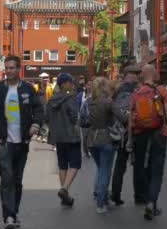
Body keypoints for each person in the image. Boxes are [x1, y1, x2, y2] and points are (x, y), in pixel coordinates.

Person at [0, 55, 43, 229]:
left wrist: (36, 124)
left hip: (22, 141)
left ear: (19, 69)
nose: (8, 71)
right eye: (6, 68)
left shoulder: (27, 89)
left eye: (12, 68)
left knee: (17, 179)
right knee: (7, 178)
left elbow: (39, 109)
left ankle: (14, 212)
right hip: (3, 141)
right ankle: (8, 216)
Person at [128, 64, 167, 220]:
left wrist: (129, 139)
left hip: (141, 134)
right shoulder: (161, 91)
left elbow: (130, 119)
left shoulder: (136, 93)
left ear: (142, 75)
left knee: (143, 167)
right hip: (158, 133)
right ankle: (151, 203)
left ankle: (147, 198)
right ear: (154, 75)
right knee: (157, 169)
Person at [46, 73, 80, 207]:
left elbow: (47, 117)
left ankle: (64, 195)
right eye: (70, 82)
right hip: (71, 136)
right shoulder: (70, 98)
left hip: (58, 137)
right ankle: (64, 189)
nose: (72, 85)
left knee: (62, 164)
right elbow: (74, 116)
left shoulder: (51, 100)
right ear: (64, 84)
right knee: (75, 164)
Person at [110, 67, 140, 206]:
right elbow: (123, 112)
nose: (135, 77)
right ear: (128, 76)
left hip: (121, 132)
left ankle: (116, 193)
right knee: (137, 164)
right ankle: (139, 195)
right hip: (130, 131)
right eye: (133, 74)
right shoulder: (130, 90)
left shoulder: (117, 90)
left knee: (120, 164)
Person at [86, 77, 115, 214]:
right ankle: (101, 203)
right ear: (104, 87)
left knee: (101, 168)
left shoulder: (88, 102)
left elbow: (81, 121)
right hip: (105, 138)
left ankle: (103, 199)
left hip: (92, 139)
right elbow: (122, 117)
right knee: (105, 171)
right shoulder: (108, 102)